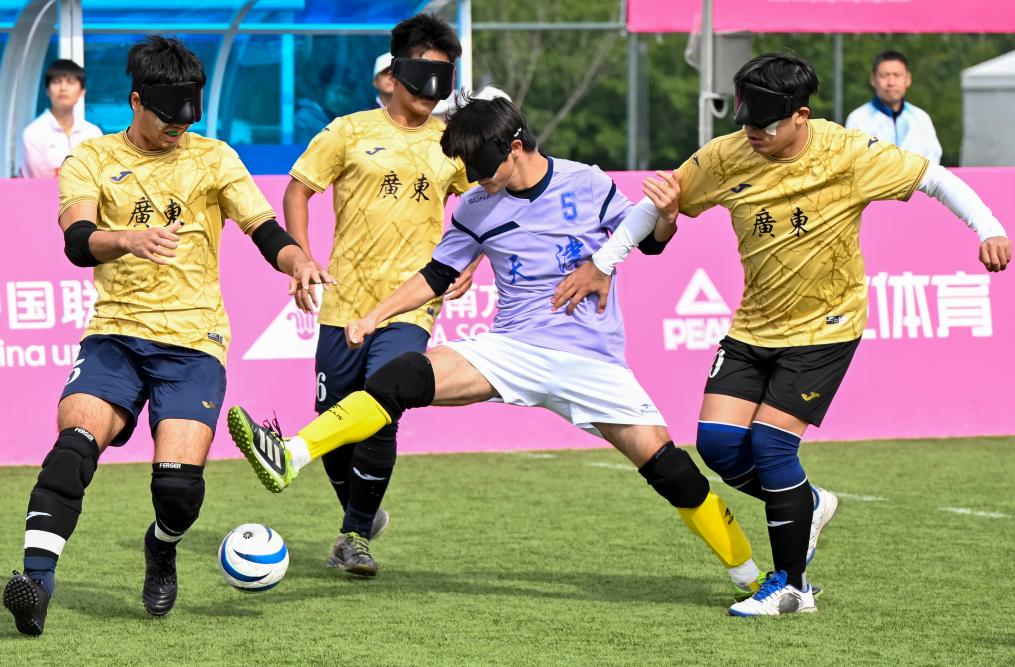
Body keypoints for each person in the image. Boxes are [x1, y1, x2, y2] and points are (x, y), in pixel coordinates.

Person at [226, 96, 769, 605]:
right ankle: (291, 455)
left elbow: (648, 240)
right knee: (400, 377)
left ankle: (750, 576)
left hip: (592, 361)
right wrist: (375, 315)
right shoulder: (477, 207)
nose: (476, 178)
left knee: (674, 474)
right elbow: (437, 273)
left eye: (481, 165)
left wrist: (667, 216)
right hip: (512, 348)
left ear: (515, 146)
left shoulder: (586, 181)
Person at [552, 52, 1010, 617]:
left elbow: (934, 179)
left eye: (765, 125)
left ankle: (793, 587)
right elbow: (658, 205)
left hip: (826, 326)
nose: (753, 134)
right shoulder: (727, 154)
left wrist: (989, 228)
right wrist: (604, 263)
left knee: (772, 447)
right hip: (754, 325)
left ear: (801, 116)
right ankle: (806, 504)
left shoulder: (848, 153)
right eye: (746, 121)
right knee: (719, 446)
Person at [2, 35, 327, 637]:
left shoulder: (214, 157)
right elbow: (77, 242)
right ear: (136, 101)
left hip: (194, 341)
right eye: (167, 117)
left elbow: (264, 230)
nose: (180, 127)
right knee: (73, 448)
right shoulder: (91, 158)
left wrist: (299, 262)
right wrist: (126, 238)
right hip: (115, 336)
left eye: (188, 117)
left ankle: (162, 545)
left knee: (177, 488)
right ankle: (37, 586)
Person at [281, 13, 473, 578]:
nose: (431, 89)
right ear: (394, 73)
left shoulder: (453, 142)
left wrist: (470, 262)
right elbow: (297, 191)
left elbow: (485, 204)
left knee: (384, 403)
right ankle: (361, 513)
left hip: (412, 303)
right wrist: (303, 259)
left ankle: (354, 536)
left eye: (443, 76)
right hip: (343, 300)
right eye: (422, 74)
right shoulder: (348, 131)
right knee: (335, 418)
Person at [845, 50, 942, 164]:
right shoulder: (858, 119)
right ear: (873, 79)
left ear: (908, 79)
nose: (891, 82)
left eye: (897, 75)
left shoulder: (921, 118)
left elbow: (933, 161)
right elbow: (854, 164)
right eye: (884, 76)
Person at [19, 59, 102, 178]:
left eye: (70, 82)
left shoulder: (93, 134)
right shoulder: (33, 133)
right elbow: (38, 181)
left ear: (82, 92)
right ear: (47, 90)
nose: (63, 88)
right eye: (57, 82)